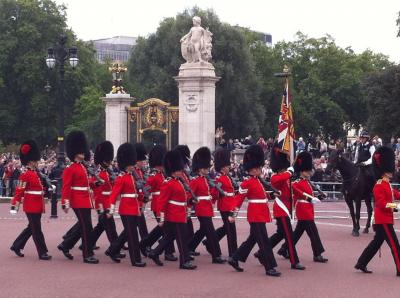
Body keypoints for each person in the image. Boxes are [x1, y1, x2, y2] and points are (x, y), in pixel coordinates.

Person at [228, 145, 281, 277]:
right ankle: (269, 267)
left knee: (253, 239)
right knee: (263, 240)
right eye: (257, 168)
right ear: (251, 170)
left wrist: (272, 196)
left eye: (259, 168)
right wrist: (233, 214)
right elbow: (238, 199)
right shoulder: (247, 183)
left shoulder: (258, 181)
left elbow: (262, 196)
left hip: (261, 214)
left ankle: (235, 258)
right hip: (255, 215)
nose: (260, 170)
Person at [355, 146, 400, 276]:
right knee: (395, 245)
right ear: (384, 170)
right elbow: (381, 204)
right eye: (390, 169)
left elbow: (395, 194)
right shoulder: (379, 185)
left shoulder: (387, 184)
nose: (392, 171)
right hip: (383, 220)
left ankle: (361, 263)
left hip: (385, 220)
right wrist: (396, 206)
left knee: (376, 244)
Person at [148, 149, 197, 270]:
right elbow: (162, 201)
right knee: (182, 238)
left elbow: (182, 197)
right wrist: (161, 217)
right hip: (174, 214)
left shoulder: (178, 181)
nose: (181, 171)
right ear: (173, 170)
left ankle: (154, 253)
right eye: (179, 170)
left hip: (180, 212)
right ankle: (184, 262)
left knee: (170, 236)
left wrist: (190, 201)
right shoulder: (168, 183)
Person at [278, 151, 328, 263]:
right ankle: (317, 254)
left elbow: (311, 195)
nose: (309, 172)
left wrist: (320, 196)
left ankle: (284, 248)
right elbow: (298, 192)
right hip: (303, 210)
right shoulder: (296, 182)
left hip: (308, 210)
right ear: (302, 171)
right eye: (307, 170)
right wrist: (310, 198)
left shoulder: (307, 182)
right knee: (313, 232)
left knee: (297, 233)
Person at [57, 131, 99, 264]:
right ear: (75, 152)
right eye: (81, 151)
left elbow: (87, 183)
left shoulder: (83, 167)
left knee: (84, 226)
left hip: (86, 199)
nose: (83, 153)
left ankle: (65, 245)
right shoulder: (70, 168)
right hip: (77, 200)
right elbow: (66, 187)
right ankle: (87, 254)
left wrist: (96, 183)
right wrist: (65, 203)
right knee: (86, 227)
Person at [263, 144, 305, 270]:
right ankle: (294, 261)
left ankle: (261, 253)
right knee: (289, 237)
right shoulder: (275, 177)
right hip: (281, 209)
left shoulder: (286, 176)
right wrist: (290, 170)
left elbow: (291, 188)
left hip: (287, 208)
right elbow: (283, 177)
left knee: (280, 234)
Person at [105, 143, 146, 267]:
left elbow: (136, 194)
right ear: (126, 164)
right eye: (131, 164)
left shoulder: (132, 177)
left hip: (134, 208)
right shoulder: (121, 178)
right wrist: (110, 210)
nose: (133, 165)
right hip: (125, 209)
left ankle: (112, 251)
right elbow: (114, 195)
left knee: (129, 233)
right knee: (133, 235)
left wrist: (140, 206)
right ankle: (136, 260)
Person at [10, 140, 51, 260]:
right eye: (35, 161)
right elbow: (19, 191)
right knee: (37, 230)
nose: (37, 162)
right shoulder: (25, 175)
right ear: (30, 161)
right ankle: (42, 252)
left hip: (37, 204)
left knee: (31, 228)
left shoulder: (36, 173)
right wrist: (14, 206)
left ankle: (16, 246)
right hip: (30, 205)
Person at [188, 147, 226, 264]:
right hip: (201, 208)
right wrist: (191, 202)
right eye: (205, 168)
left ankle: (188, 248)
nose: (207, 170)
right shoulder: (195, 181)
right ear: (200, 169)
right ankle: (216, 255)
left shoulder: (206, 179)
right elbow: (190, 194)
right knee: (210, 232)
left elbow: (210, 194)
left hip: (207, 207)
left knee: (203, 231)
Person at [139, 145, 177, 261]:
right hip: (157, 205)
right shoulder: (154, 176)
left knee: (165, 229)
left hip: (166, 205)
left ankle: (145, 243)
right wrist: (144, 201)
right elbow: (146, 190)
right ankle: (167, 252)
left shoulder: (163, 174)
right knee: (166, 229)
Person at [89, 141, 123, 257]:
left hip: (108, 201)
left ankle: (87, 243)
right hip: (102, 202)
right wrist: (100, 206)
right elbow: (93, 185)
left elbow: (111, 187)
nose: (109, 162)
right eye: (107, 160)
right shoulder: (98, 171)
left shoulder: (107, 171)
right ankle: (115, 248)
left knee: (101, 227)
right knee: (110, 226)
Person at [208, 149, 238, 257]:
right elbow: (215, 192)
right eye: (227, 166)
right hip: (225, 206)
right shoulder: (219, 178)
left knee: (227, 228)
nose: (228, 167)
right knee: (231, 231)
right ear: (222, 167)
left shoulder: (226, 176)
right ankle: (233, 253)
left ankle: (210, 243)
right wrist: (212, 202)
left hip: (230, 205)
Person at [133, 143, 149, 242]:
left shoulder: (140, 171)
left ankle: (115, 247)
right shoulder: (133, 172)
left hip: (141, 202)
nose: (144, 162)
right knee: (141, 226)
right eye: (142, 160)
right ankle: (146, 245)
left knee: (133, 228)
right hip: (136, 202)